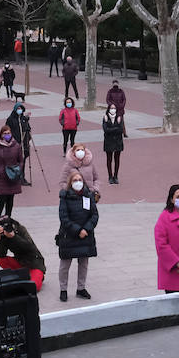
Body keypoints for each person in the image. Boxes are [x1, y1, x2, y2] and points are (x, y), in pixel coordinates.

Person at [57, 170, 98, 302]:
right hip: (69, 235)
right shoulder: (65, 196)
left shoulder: (88, 196)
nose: (78, 183)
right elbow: (63, 217)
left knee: (83, 263)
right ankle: (63, 289)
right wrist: (77, 230)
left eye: (80, 180)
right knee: (65, 264)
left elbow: (94, 215)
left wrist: (86, 229)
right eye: (75, 180)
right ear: (70, 183)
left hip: (86, 235)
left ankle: (81, 288)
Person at [0, 216, 45, 291]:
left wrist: (14, 237)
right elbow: (1, 255)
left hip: (34, 263)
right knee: (0, 260)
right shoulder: (3, 236)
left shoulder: (21, 229)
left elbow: (29, 247)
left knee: (34, 287)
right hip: (21, 262)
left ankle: (38, 276)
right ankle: (22, 275)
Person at [0, 125, 25, 219]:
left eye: (8, 133)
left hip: (13, 176)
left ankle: (8, 218)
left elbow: (21, 160)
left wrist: (18, 170)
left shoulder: (16, 146)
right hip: (2, 177)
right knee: (1, 199)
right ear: (1, 135)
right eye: (5, 133)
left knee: (10, 199)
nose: (7, 135)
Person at [102, 103, 125, 184]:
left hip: (118, 142)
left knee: (117, 159)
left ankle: (116, 176)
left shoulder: (119, 118)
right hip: (108, 142)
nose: (113, 109)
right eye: (111, 108)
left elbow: (121, 130)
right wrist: (115, 128)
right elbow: (105, 130)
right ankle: (110, 176)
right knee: (109, 159)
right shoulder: (105, 117)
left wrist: (111, 129)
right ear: (108, 109)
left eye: (114, 108)